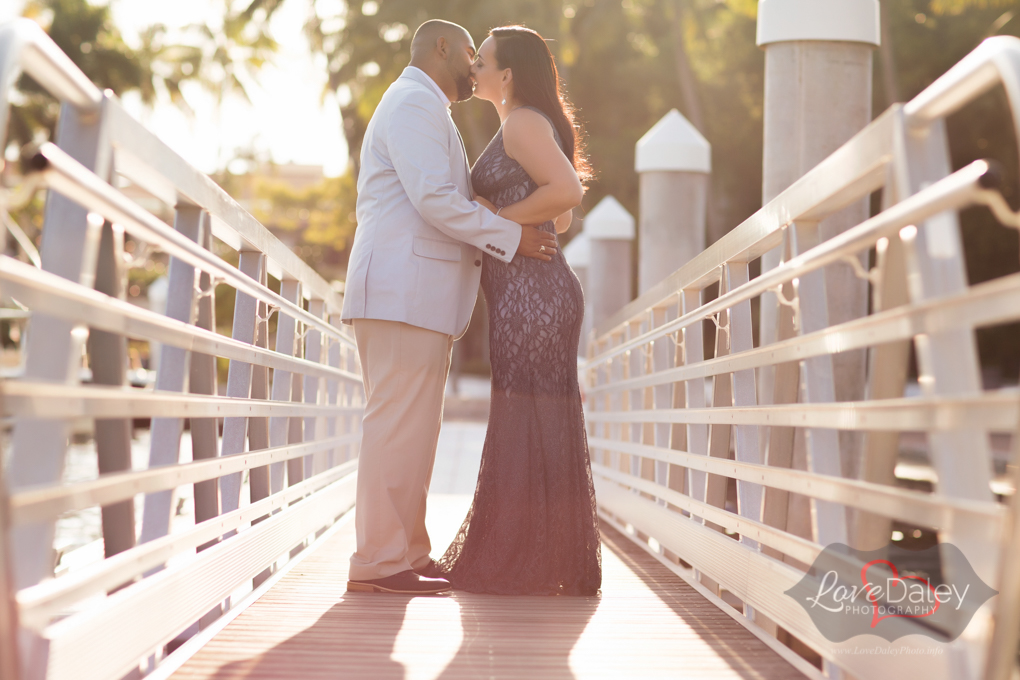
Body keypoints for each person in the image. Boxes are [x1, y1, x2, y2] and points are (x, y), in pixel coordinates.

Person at [340, 19, 559, 595]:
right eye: (469, 52)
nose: (474, 65)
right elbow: (435, 199)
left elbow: (447, 197)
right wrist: (511, 238)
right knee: (397, 424)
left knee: (413, 429)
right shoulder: (414, 102)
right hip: (400, 290)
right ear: (442, 48)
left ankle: (405, 552)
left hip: (412, 294)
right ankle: (378, 560)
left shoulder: (425, 105)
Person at [427, 25, 602, 595]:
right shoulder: (526, 124)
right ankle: (542, 559)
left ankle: (526, 560)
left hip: (535, 295)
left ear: (507, 75)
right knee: (531, 416)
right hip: (531, 291)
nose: (472, 67)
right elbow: (558, 216)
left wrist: (500, 221)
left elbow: (569, 194)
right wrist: (510, 214)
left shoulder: (523, 121)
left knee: (527, 416)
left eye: (483, 61)